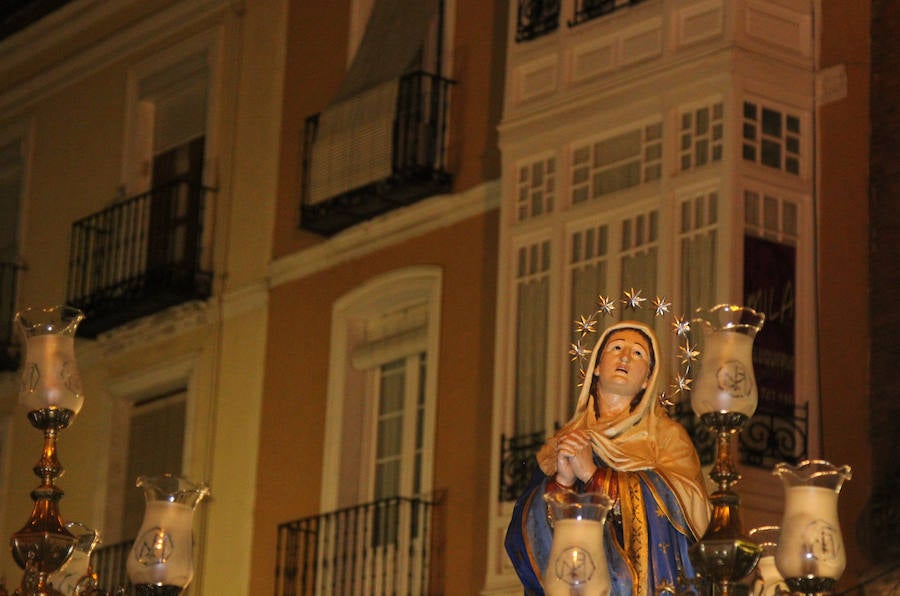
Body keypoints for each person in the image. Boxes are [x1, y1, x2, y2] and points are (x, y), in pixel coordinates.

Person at [505, 320, 710, 595]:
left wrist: (594, 476)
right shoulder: (563, 443)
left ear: (648, 378)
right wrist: (561, 483)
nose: (625, 356)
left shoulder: (666, 436)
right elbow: (520, 537)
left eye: (638, 353)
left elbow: (692, 510)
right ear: (597, 367)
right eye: (616, 348)